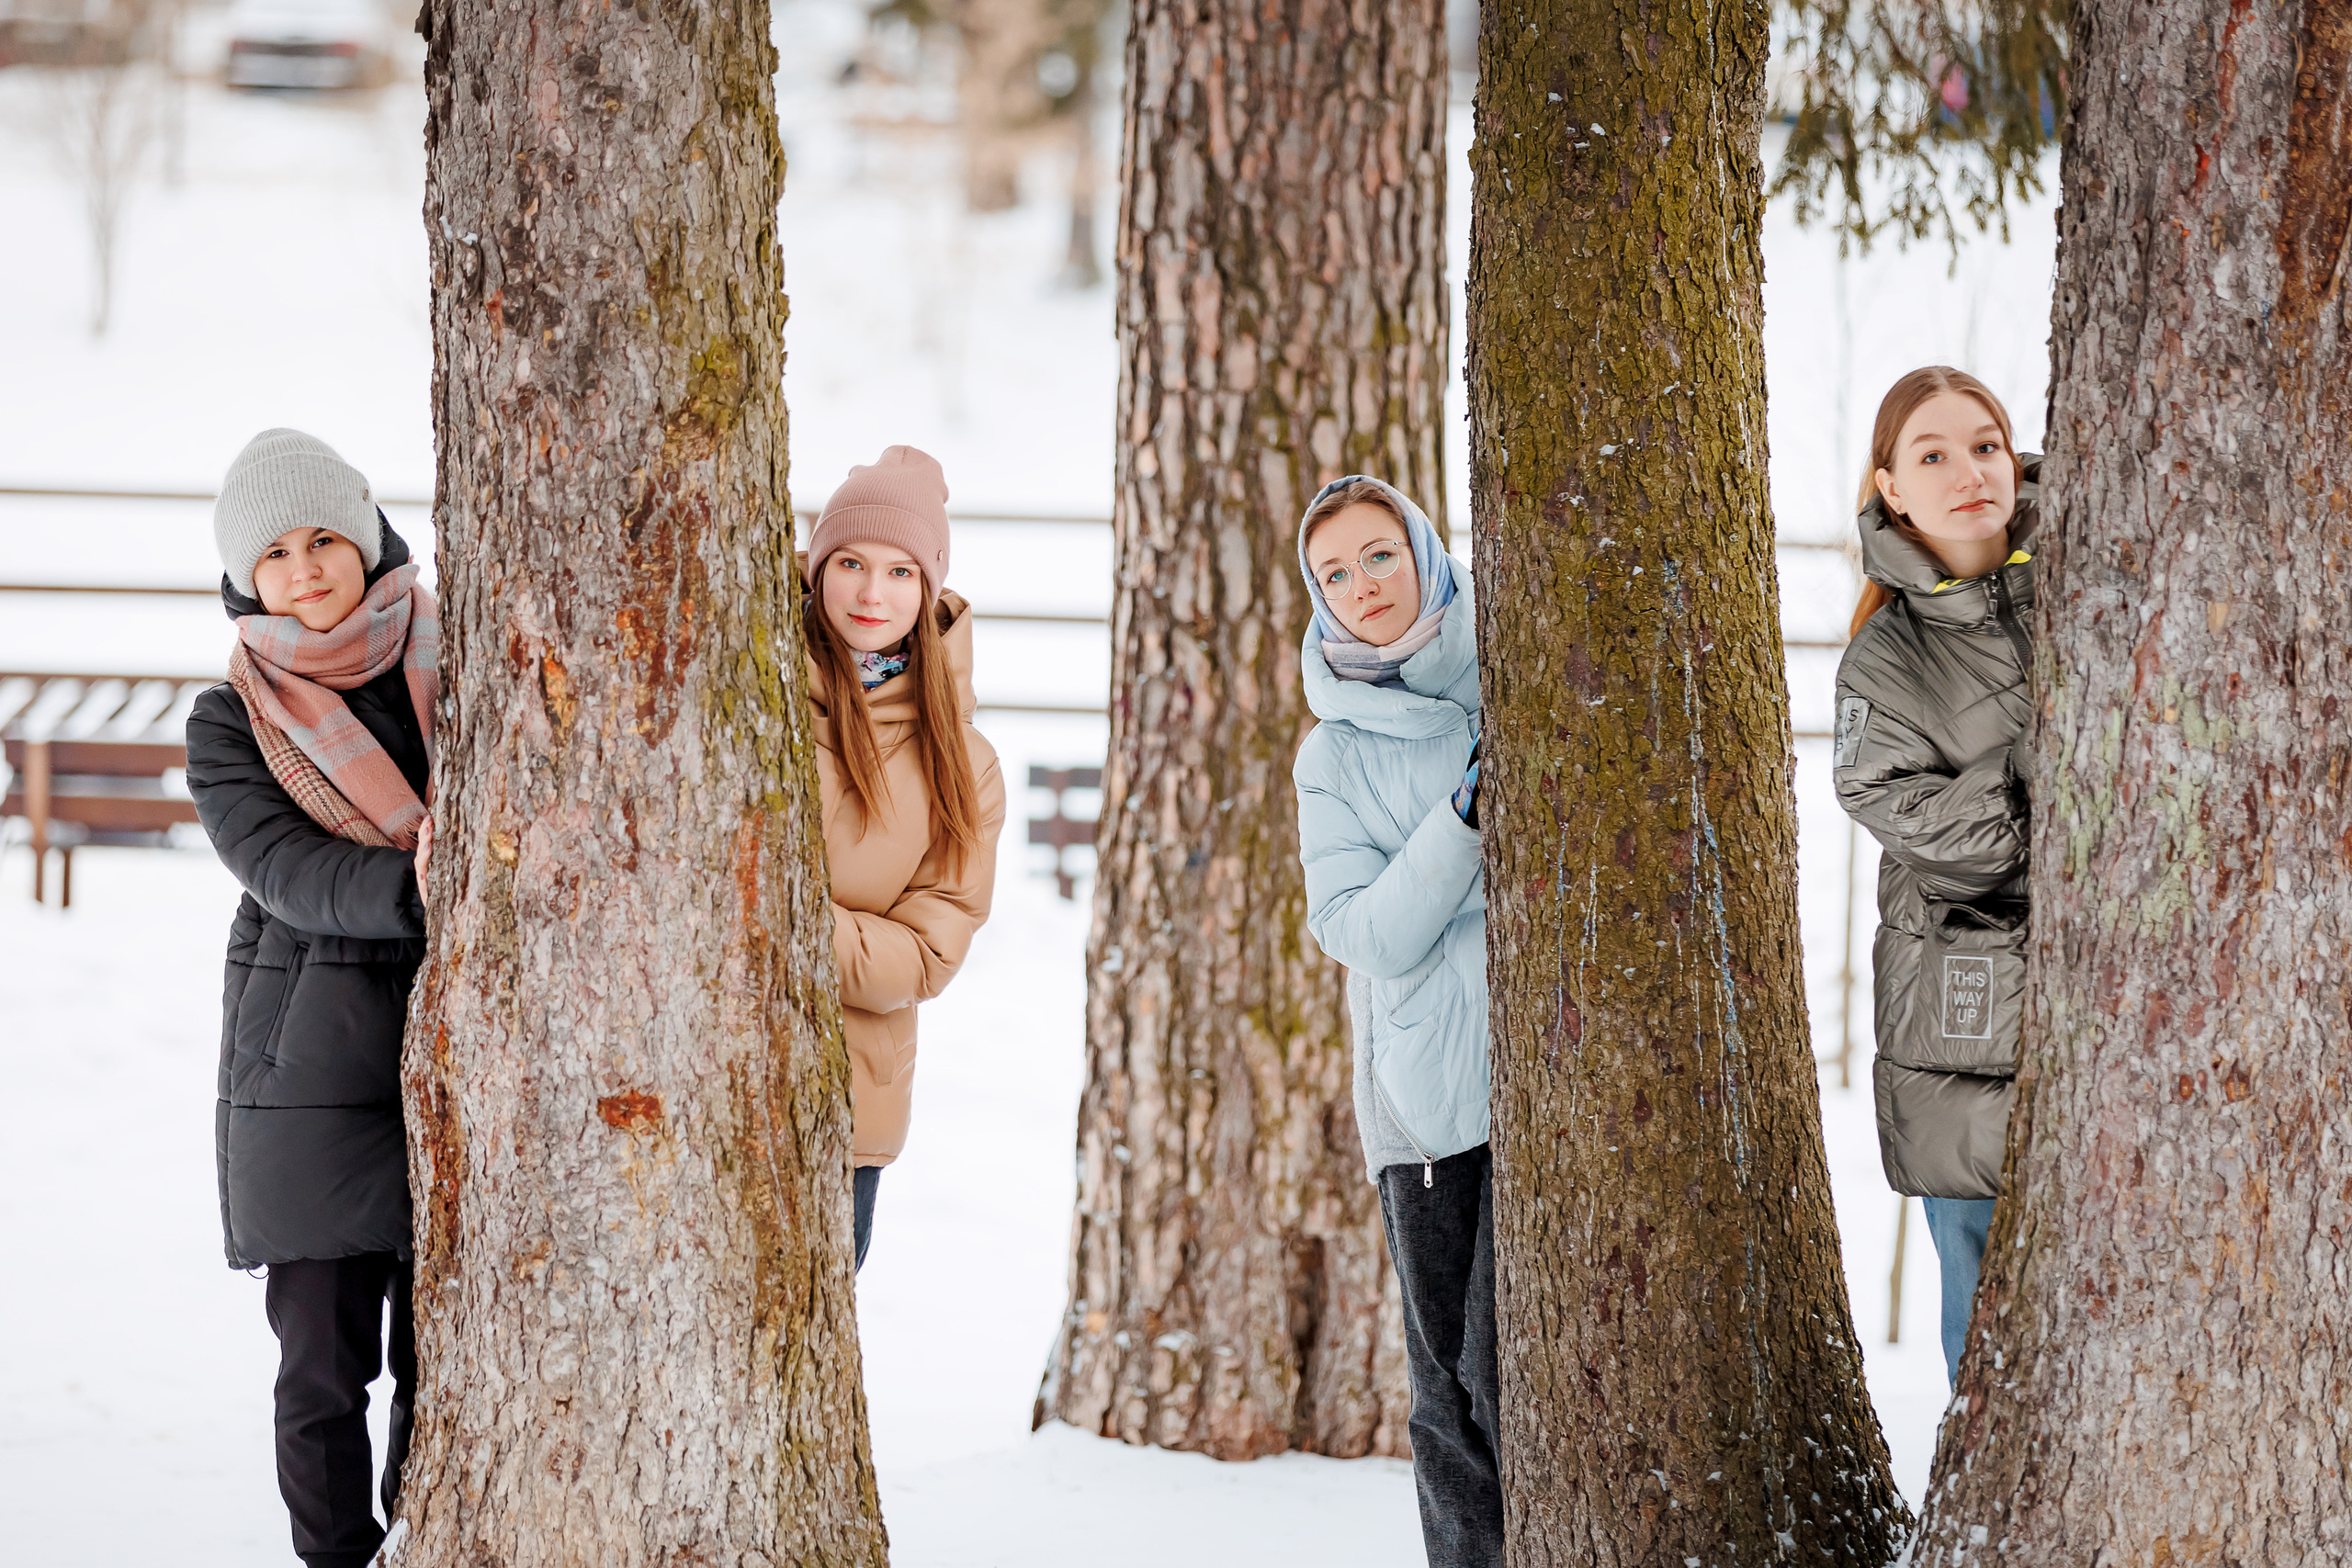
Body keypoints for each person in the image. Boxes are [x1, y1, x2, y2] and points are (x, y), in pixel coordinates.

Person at [184, 429, 435, 1568]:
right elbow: (280, 867)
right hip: (312, 1072)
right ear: (247, 582)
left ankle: (436, 1533)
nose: (308, 567)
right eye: (276, 553)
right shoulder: (230, 720)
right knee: (328, 1366)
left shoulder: (454, 654)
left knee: (451, 1354)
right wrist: (429, 887)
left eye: (326, 535)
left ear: (370, 536)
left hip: (456, 1047)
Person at [1292, 476, 1497, 1567]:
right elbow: (1360, 933)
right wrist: (1461, 823)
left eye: (1380, 555)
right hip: (1424, 1109)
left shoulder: (1505, 673)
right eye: (1334, 572)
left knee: (1523, 1375)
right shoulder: (1331, 751)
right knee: (1450, 1400)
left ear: (1424, 551)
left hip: (1547, 1078)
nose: (1363, 586)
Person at [1831, 367, 2038, 1388]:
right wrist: (2046, 771)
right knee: (1988, 1301)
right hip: (1964, 1020)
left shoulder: (2101, 567)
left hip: (2115, 1008)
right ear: (1891, 488)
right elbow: (1907, 815)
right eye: (1932, 454)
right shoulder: (1885, 661)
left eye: (1985, 445)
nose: (1967, 471)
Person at [801, 446, 1007, 1270]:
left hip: (846, 1112)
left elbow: (927, 949)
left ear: (927, 592)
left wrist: (785, 924)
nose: (870, 592)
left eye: (899, 571)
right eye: (850, 562)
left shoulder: (964, 761)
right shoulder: (750, 694)